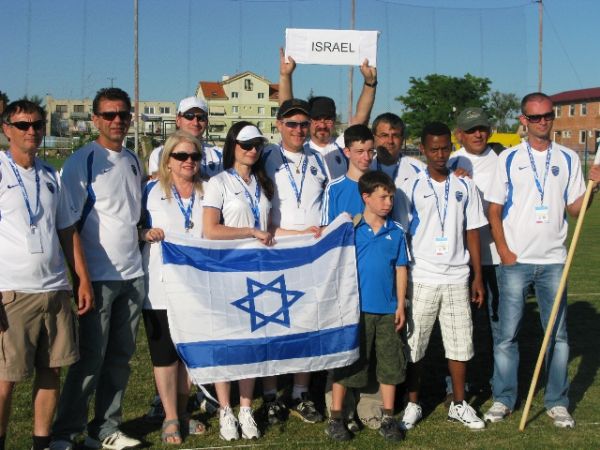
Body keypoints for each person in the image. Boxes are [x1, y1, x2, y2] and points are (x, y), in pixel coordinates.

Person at [483, 92, 600, 428]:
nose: (543, 122)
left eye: (548, 115)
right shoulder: (508, 158)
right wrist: (504, 251)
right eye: (535, 117)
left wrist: (593, 188)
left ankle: (557, 402)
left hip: (554, 261)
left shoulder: (567, 158)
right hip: (516, 261)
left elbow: (575, 210)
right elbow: (494, 209)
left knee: (558, 336)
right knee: (508, 335)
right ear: (524, 121)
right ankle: (504, 398)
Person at [51, 88, 145, 450]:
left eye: (123, 114)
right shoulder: (82, 161)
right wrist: (82, 279)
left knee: (120, 359)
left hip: (132, 276)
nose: (117, 120)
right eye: (108, 115)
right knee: (90, 359)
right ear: (95, 120)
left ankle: (104, 429)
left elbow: (129, 216)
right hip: (98, 278)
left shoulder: (133, 159)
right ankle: (65, 432)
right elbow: (68, 226)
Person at [0, 100, 93, 450]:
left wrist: (81, 278)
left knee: (52, 370)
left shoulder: (51, 176)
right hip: (12, 292)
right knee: (5, 379)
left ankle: (42, 443)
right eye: (23, 125)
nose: (32, 131)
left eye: (38, 125)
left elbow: (67, 230)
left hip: (54, 289)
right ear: (6, 129)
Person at [400, 122, 486, 431]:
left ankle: (459, 404)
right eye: (434, 149)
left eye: (445, 148)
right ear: (423, 149)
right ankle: (412, 403)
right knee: (415, 345)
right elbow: (402, 234)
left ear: (451, 147)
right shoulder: (410, 186)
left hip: (457, 276)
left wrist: (477, 276)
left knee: (460, 343)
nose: (440, 155)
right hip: (422, 275)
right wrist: (403, 280)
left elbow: (472, 231)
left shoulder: (465, 186)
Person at [203, 122, 274, 440]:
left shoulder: (263, 183)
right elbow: (210, 230)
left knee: (251, 342)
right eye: (246, 145)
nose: (253, 150)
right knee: (226, 341)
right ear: (233, 146)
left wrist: (310, 233)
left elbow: (271, 229)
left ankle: (246, 408)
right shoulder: (218, 182)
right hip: (227, 271)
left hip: (258, 271)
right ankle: (225, 409)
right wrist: (249, 232)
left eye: (257, 144)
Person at [326, 170, 407, 442]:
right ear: (366, 197)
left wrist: (400, 305)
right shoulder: (351, 229)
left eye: (391, 197)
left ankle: (388, 417)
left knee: (389, 363)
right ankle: (337, 417)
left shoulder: (396, 232)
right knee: (348, 363)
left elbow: (401, 269)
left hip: (387, 310)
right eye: (383, 197)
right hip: (355, 311)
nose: (388, 203)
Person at [261, 99, 327, 425]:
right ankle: (271, 395)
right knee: (272, 325)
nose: (298, 130)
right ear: (278, 125)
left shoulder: (319, 160)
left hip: (310, 258)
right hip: (276, 253)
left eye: (303, 124)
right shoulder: (265, 157)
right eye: (291, 124)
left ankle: (301, 392)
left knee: (306, 325)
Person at [139, 131, 206, 445]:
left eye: (194, 156)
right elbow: (132, 226)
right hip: (159, 286)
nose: (188, 161)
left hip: (196, 286)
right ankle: (169, 417)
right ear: (167, 161)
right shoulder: (150, 191)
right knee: (165, 354)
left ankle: (183, 411)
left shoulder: (208, 190)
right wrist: (144, 233)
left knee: (188, 354)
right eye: (181, 156)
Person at [446, 107, 501, 398]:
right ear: (460, 135)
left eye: (482, 128)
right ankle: (455, 387)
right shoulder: (450, 162)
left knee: (497, 326)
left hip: (497, 256)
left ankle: (497, 383)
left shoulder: (504, 158)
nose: (478, 134)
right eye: (471, 130)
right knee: (458, 326)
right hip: (461, 259)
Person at [278, 48, 377, 179]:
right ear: (308, 121)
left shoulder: (343, 145)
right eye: (317, 119)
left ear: (335, 120)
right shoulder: (301, 147)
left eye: (328, 119)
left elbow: (361, 117)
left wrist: (370, 82)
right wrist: (285, 76)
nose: (322, 125)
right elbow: (287, 112)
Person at [370, 113, 425, 229]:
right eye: (384, 135)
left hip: (408, 237)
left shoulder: (420, 170)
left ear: (402, 139)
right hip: (374, 237)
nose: (390, 141)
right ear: (374, 138)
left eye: (395, 135)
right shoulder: (365, 170)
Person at [148, 97, 222, 180]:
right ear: (178, 120)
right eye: (189, 116)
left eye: (201, 117)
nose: (195, 122)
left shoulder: (220, 155)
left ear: (207, 122)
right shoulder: (160, 154)